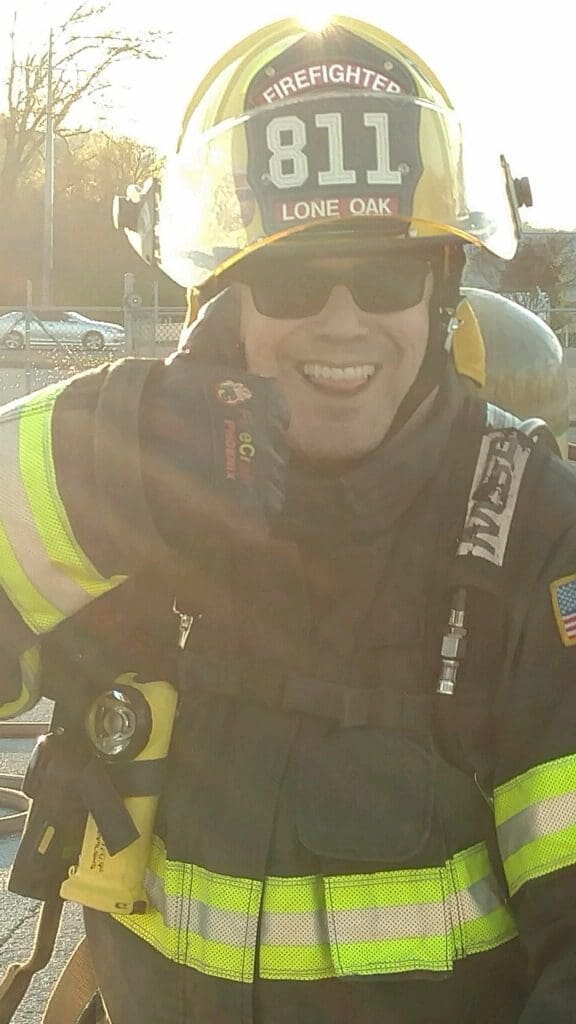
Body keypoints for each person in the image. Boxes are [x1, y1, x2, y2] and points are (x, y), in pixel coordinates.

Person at [2, 15, 576, 1024]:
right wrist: (78, 467)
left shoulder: (538, 536)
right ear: (221, 306)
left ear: (441, 290)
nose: (343, 317)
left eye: (388, 271)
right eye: (292, 275)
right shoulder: (123, 503)